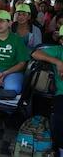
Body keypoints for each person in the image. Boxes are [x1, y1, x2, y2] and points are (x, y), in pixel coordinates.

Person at [31, 28, 63, 156]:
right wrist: (57, 62)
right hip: (61, 94)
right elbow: (35, 53)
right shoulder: (58, 51)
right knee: (60, 118)